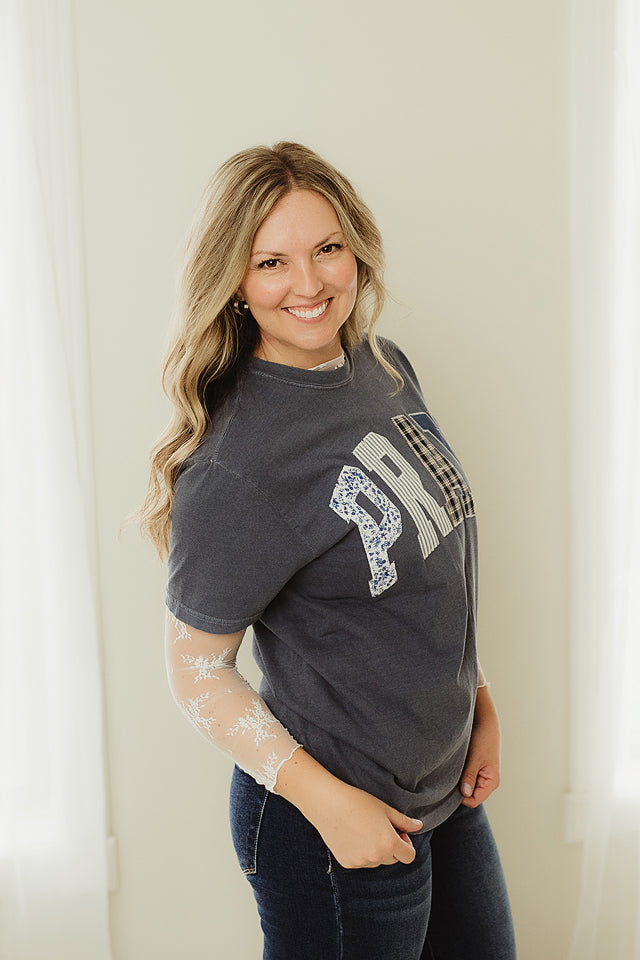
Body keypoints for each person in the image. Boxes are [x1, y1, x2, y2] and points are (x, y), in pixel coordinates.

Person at [138, 141, 517, 959]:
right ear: (233, 283)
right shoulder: (239, 464)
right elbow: (196, 671)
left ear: (357, 248)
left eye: (327, 248)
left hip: (444, 788)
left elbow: (429, 566)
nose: (308, 284)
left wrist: (478, 701)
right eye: (271, 262)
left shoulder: (383, 367)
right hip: (334, 818)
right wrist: (329, 803)